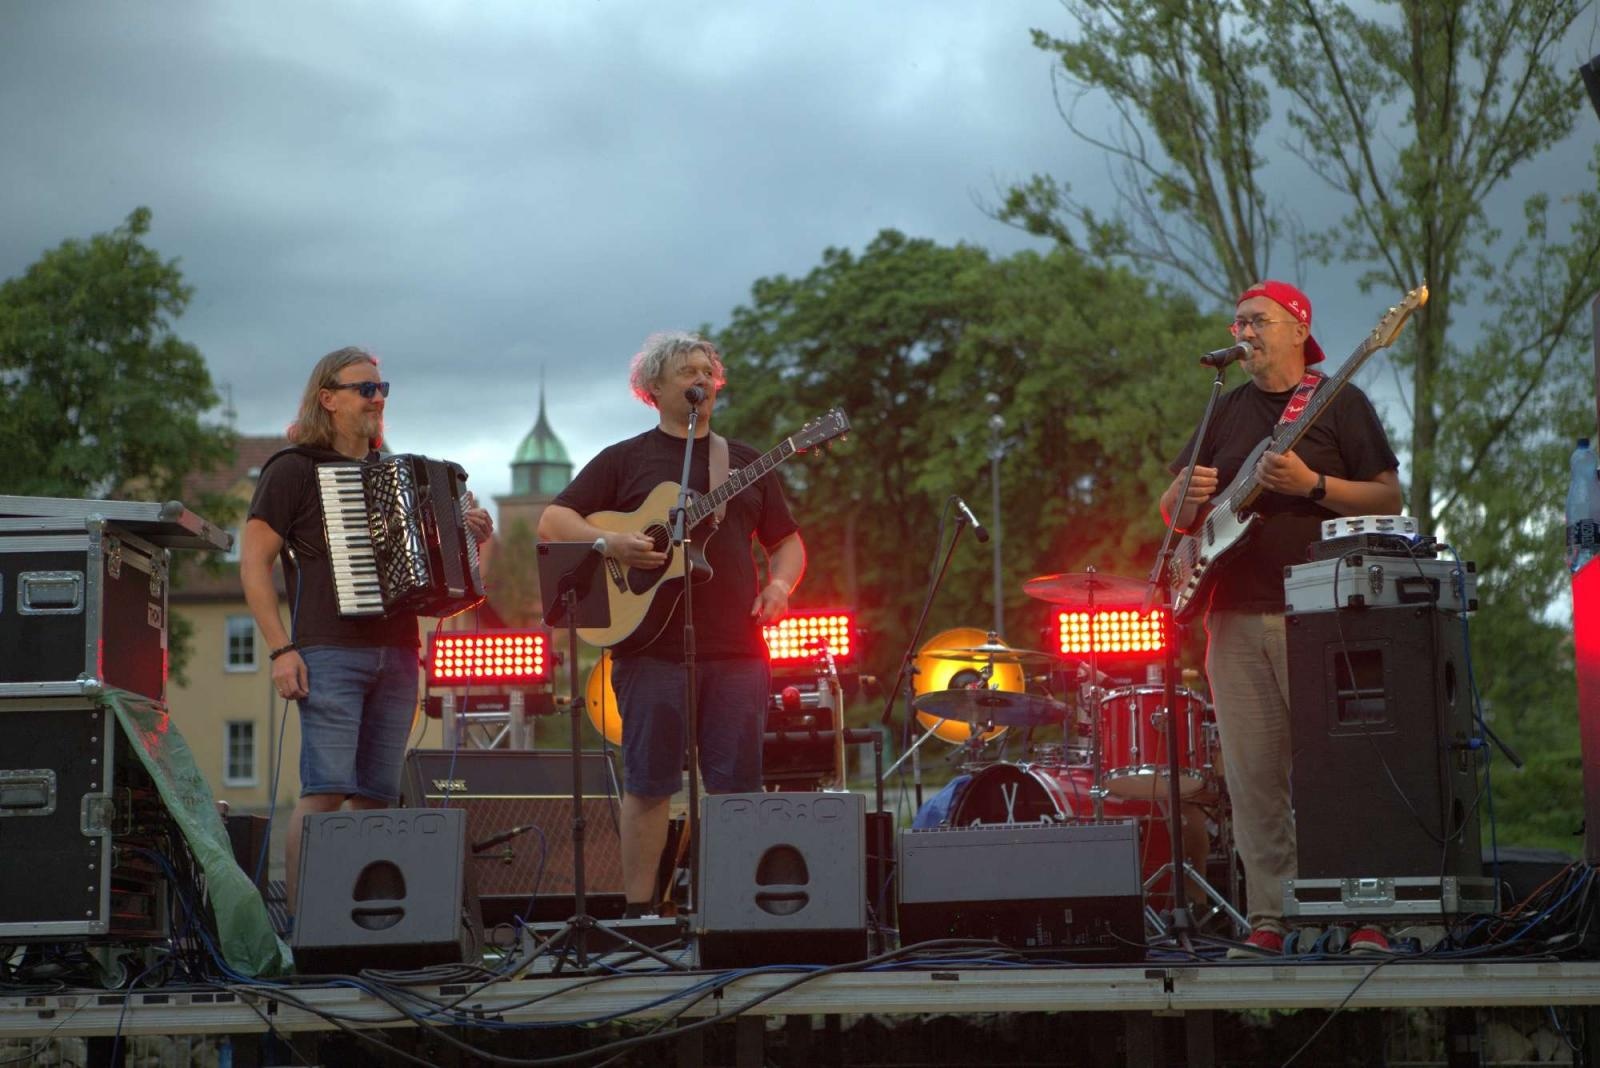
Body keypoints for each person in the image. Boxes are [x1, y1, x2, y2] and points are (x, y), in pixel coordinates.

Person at [1159, 281, 1402, 957]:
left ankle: (1366, 915)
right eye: (1237, 322)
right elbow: (1176, 516)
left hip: (1322, 612)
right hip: (1232, 617)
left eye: (1257, 320)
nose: (1243, 332)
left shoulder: (1340, 403)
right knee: (1253, 778)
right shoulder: (1224, 411)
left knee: (1340, 770)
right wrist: (1180, 498)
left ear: (1299, 327)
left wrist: (1314, 487)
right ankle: (1272, 915)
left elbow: (1389, 493)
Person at [538, 331, 806, 915]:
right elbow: (554, 520)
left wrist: (780, 585)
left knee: (737, 789)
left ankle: (739, 911)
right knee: (649, 783)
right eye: (686, 372)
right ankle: (640, 916)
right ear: (653, 389)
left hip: (737, 649)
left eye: (707, 372)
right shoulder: (623, 459)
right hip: (648, 651)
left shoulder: (744, 461)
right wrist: (609, 541)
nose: (700, 381)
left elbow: (788, 543)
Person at [239, 346, 493, 916]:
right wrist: (281, 648)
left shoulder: (402, 478)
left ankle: (359, 924)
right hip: (327, 651)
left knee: (376, 798)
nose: (378, 399)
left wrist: (472, 542)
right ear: (328, 398)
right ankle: (308, 928)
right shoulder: (293, 469)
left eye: (382, 389)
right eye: (365, 389)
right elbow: (253, 563)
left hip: (400, 652)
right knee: (325, 790)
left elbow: (443, 596)